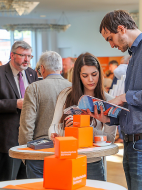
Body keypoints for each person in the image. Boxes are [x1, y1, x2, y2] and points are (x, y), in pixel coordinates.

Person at [93, 10, 142, 190]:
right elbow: (135, 106)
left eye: (110, 38)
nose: (111, 45)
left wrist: (122, 97)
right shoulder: (134, 55)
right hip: (135, 143)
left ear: (121, 29)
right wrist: (108, 118)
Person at [48, 52, 117, 181]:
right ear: (78, 76)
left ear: (100, 74)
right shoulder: (65, 95)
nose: (90, 80)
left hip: (93, 163)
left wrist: (85, 128)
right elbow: (54, 126)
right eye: (85, 76)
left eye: (94, 74)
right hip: (67, 159)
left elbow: (111, 139)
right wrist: (55, 134)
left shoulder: (109, 101)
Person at [0, 41, 38, 182]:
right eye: (23, 55)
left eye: (29, 56)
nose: (27, 60)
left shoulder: (32, 74)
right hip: (7, 138)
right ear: (12, 55)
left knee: (26, 182)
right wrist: (15, 103)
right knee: (7, 181)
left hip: (29, 138)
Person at [18, 51, 71, 178]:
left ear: (42, 68)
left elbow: (27, 125)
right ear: (60, 67)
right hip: (67, 149)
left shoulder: (34, 88)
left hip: (39, 152)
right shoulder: (72, 87)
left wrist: (25, 154)